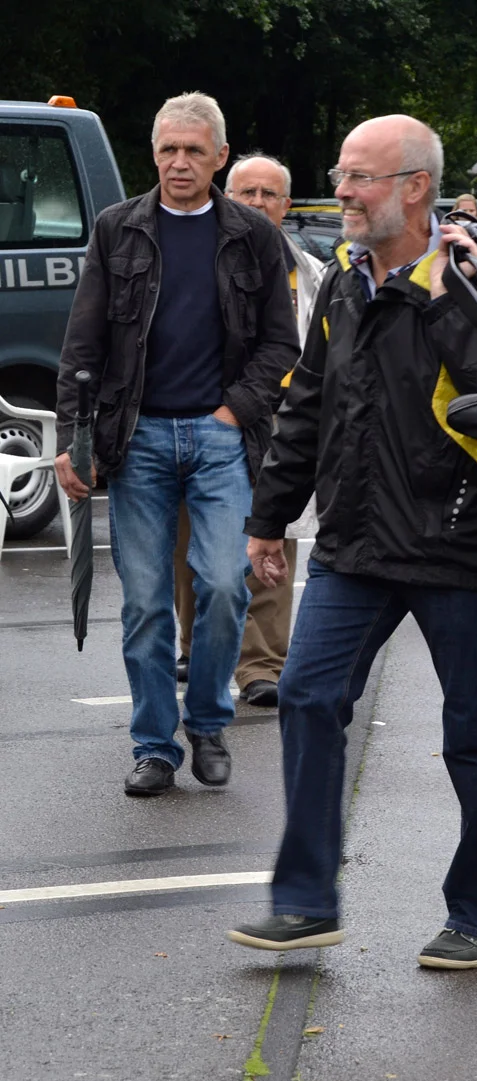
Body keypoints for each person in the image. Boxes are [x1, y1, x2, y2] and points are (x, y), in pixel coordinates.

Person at [226, 113, 477, 970]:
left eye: (360, 176)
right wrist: (268, 518)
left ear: (416, 187)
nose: (344, 191)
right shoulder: (344, 278)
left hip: (463, 544)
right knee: (306, 695)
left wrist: (445, 302)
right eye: (342, 174)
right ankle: (305, 902)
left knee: (475, 731)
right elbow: (308, 402)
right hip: (357, 542)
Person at [55, 93, 299, 797]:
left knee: (223, 583)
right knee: (145, 603)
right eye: (169, 149)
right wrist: (75, 439)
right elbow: (83, 344)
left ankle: (209, 723)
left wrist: (232, 412)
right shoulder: (117, 229)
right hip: (138, 441)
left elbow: (280, 344)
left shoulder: (253, 235)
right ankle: (155, 746)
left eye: (194, 150)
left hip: (221, 439)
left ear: (220, 156)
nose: (180, 162)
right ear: (154, 153)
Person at [174, 152, 325, 708]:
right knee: (193, 543)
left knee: (270, 537)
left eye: (269, 194)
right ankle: (197, 645)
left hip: (280, 418)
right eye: (247, 193)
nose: (257, 203)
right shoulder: (195, 254)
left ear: (287, 206)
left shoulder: (311, 272)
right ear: (226, 196)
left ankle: (262, 664)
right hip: (205, 413)